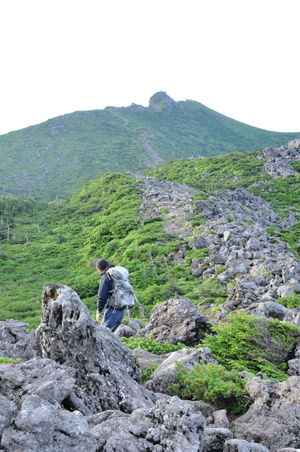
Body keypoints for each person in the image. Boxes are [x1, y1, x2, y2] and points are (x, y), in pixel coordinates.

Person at [95, 258, 125, 332]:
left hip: (113, 311)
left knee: (103, 333)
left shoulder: (106, 277)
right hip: (121, 310)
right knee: (114, 336)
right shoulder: (116, 275)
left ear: (99, 269)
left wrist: (99, 311)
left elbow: (102, 296)